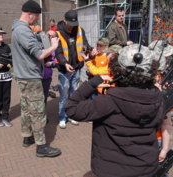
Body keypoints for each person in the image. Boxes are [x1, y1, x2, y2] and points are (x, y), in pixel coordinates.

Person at [65, 44, 165, 177]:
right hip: (145, 168)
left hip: (111, 171)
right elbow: (157, 124)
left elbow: (71, 109)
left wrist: (90, 84)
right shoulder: (158, 98)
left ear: (118, 68)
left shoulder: (108, 101)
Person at [11, 0, 61, 157]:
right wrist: (53, 46)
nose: (37, 20)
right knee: (38, 111)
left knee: (26, 108)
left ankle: (27, 137)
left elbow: (30, 49)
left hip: (23, 76)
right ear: (29, 14)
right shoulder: (23, 31)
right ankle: (41, 146)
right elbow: (39, 54)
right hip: (30, 78)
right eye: (36, 16)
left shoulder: (19, 29)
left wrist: (44, 38)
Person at [55, 9, 97, 129]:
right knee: (64, 95)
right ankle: (63, 117)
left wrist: (91, 49)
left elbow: (85, 45)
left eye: (74, 24)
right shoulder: (58, 33)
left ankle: (71, 115)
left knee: (74, 94)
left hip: (77, 67)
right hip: (64, 70)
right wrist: (64, 64)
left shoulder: (79, 30)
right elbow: (58, 52)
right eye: (70, 24)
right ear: (64, 20)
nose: (72, 27)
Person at [149, 40, 173, 177]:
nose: (168, 58)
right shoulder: (160, 86)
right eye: (166, 56)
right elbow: (166, 123)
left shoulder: (164, 78)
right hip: (154, 139)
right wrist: (164, 149)